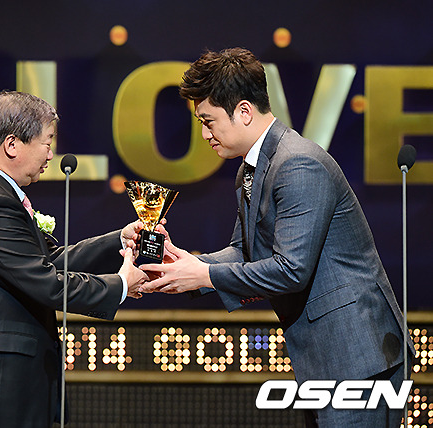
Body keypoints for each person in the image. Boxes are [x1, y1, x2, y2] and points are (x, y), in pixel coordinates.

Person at [139, 48, 413, 427]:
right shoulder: (252, 169)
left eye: (209, 121)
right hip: (326, 357)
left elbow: (291, 270)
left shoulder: (299, 164)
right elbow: (245, 252)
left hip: (357, 354)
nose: (204, 134)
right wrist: (186, 264)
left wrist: (204, 275)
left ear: (244, 111)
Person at [0, 90, 148, 428]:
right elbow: (45, 281)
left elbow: (43, 263)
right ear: (12, 144)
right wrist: (119, 285)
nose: (50, 154)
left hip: (2, 391)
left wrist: (118, 240)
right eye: (47, 143)